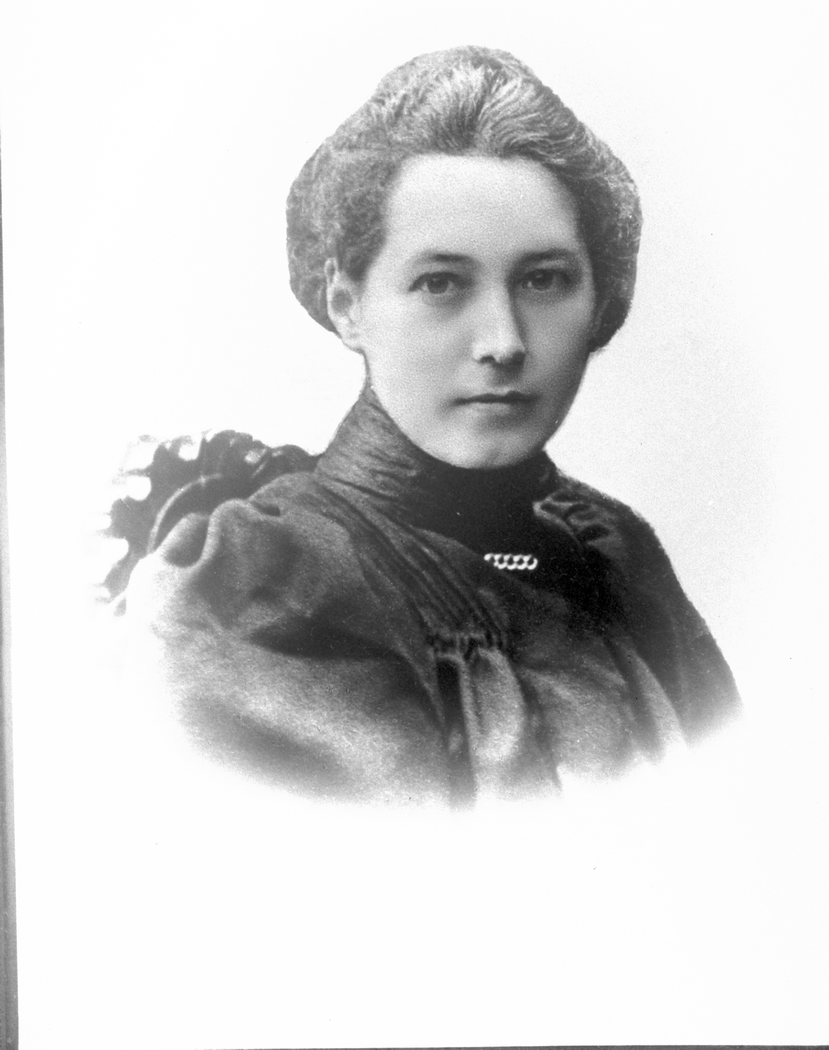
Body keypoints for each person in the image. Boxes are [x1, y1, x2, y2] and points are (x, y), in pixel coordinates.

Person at [118, 46, 740, 805]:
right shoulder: (260, 590)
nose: (504, 342)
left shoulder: (613, 555)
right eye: (441, 283)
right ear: (348, 305)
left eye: (544, 279)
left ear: (601, 301)